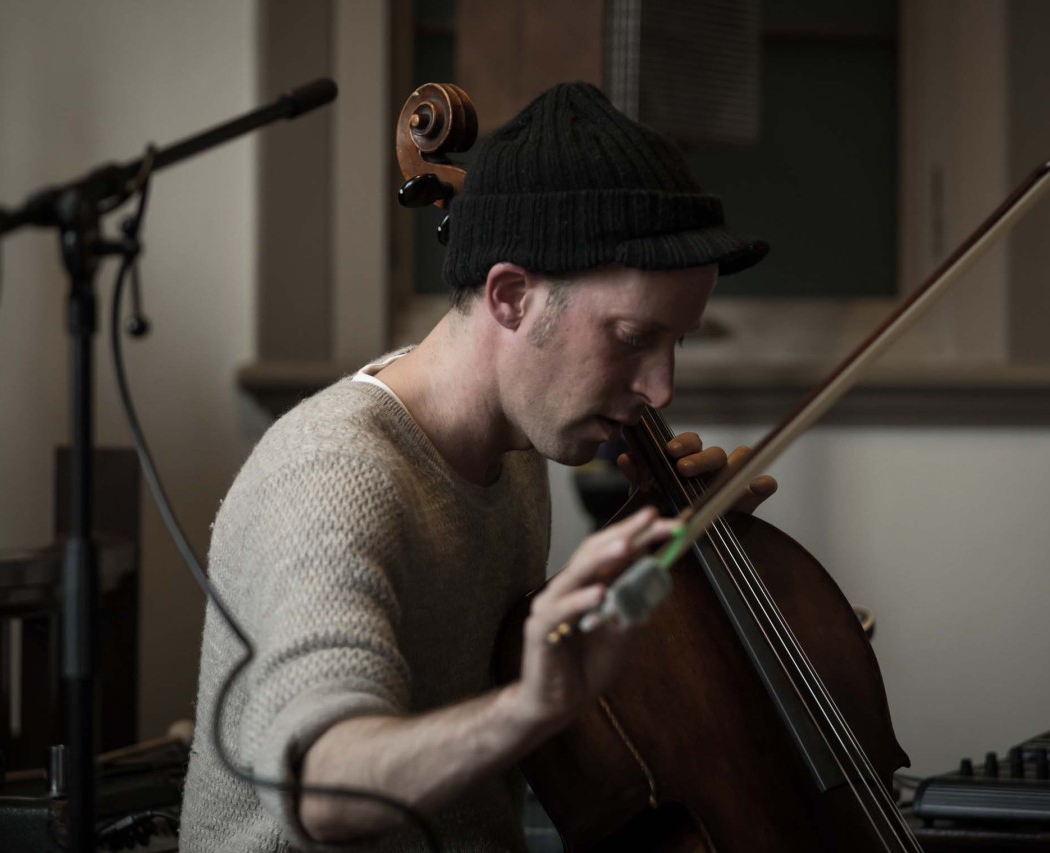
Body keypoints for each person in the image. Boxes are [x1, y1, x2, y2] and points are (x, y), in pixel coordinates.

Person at [179, 81, 774, 852]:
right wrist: (527, 707)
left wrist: (658, 553)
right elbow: (323, 790)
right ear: (512, 296)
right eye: (633, 336)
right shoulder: (331, 477)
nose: (661, 389)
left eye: (676, 343)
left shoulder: (515, 452)